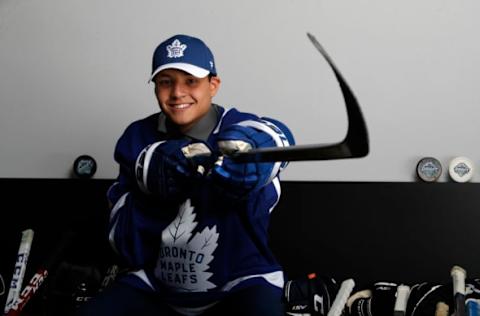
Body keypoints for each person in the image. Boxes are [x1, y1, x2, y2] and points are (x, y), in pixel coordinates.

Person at [77, 34, 295, 316]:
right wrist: (152, 188)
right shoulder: (137, 137)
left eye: (191, 81)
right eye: (166, 81)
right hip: (158, 285)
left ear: (213, 85)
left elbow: (275, 137)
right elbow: (122, 243)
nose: (177, 92)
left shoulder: (238, 126)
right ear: (155, 87)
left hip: (242, 282)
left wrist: (256, 156)